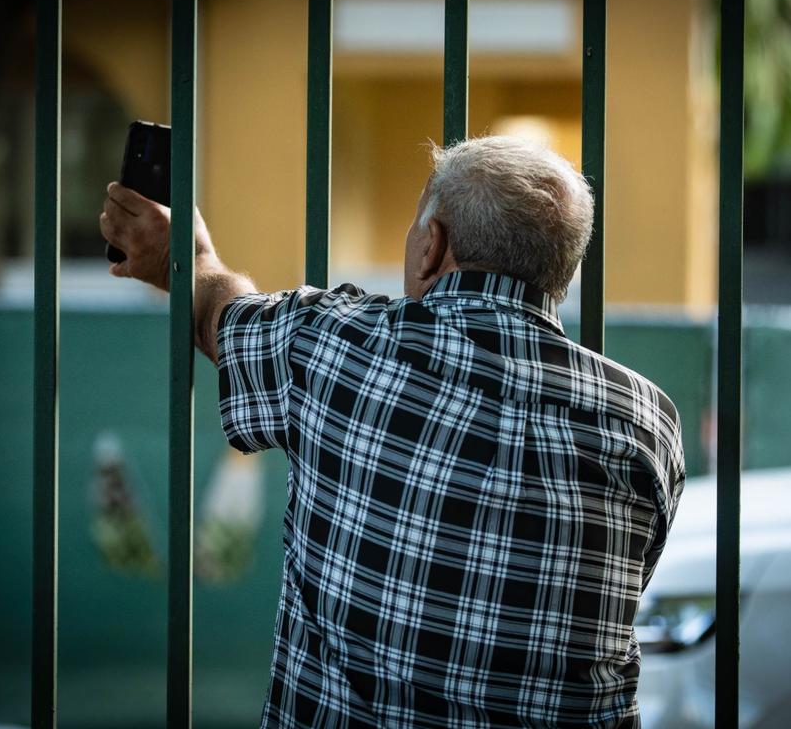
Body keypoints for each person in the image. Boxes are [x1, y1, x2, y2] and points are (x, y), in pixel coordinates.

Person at [100, 135, 685, 728]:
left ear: (431, 248)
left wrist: (189, 254)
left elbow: (216, 313)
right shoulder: (645, 421)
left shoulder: (335, 347)